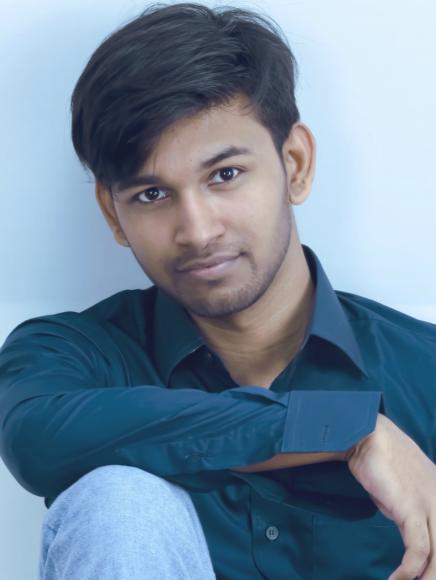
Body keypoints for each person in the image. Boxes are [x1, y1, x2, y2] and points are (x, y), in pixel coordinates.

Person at [0, 2, 435, 579]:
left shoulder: (424, 371)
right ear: (111, 212)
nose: (198, 231)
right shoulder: (73, 356)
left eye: (225, 175)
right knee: (121, 503)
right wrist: (342, 429)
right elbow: (36, 438)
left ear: (295, 164)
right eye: (152, 195)